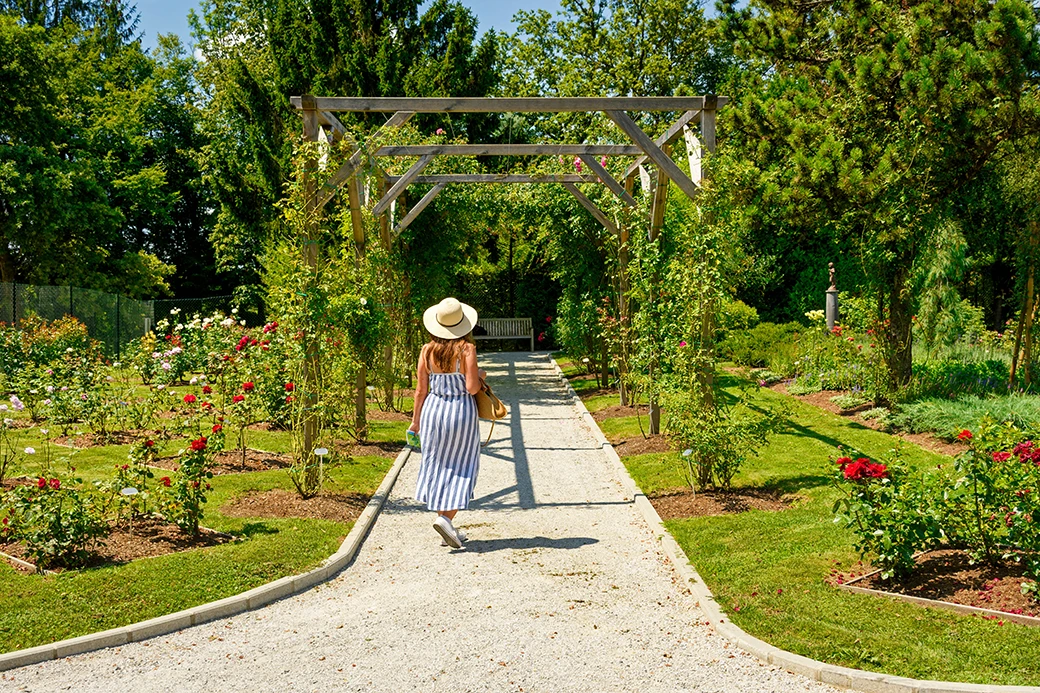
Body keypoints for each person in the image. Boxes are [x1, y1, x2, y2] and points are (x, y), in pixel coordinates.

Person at [409, 297, 486, 548]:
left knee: (438, 463)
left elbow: (421, 390)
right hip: (459, 413)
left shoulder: (426, 350)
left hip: (433, 410)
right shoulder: (466, 350)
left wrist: (415, 421)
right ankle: (445, 520)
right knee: (463, 465)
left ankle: (447, 524)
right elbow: (472, 387)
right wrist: (481, 374)